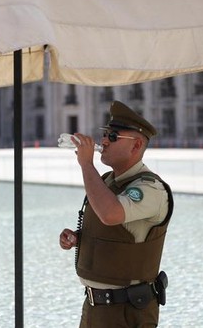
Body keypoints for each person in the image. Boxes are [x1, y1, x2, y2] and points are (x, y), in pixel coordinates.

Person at [59, 100, 173, 327]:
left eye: (113, 137)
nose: (103, 141)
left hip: (126, 311)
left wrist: (86, 164)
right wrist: (77, 237)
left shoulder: (149, 188)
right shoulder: (107, 182)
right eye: (105, 134)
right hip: (94, 308)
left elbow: (111, 214)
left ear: (136, 145)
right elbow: (112, 230)